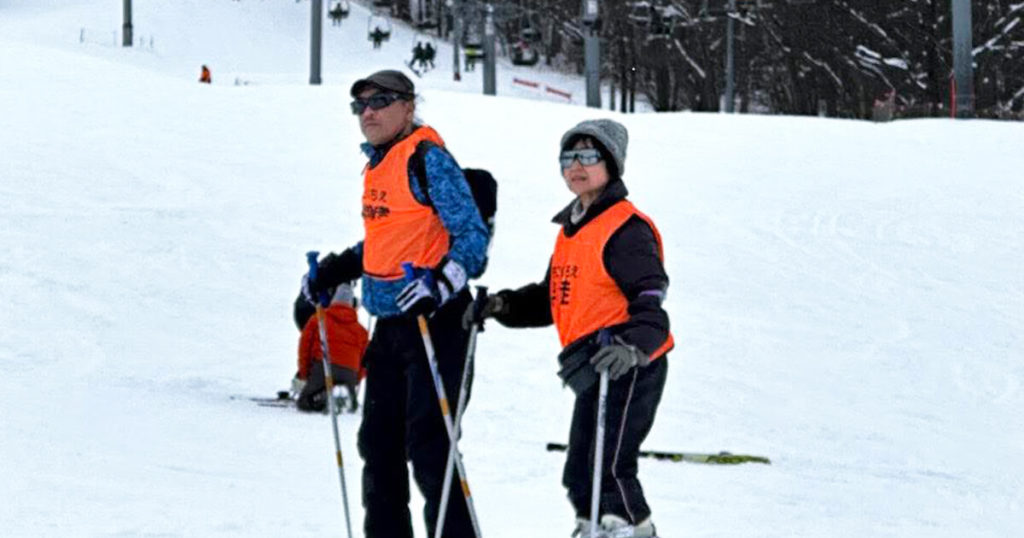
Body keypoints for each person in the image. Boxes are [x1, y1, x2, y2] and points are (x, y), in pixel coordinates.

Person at [301, 69, 489, 538]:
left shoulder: (428, 159)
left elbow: (471, 236)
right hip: (390, 326)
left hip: (437, 323)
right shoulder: (378, 165)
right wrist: (332, 271)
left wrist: (440, 283)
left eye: (380, 101)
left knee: (430, 446)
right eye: (360, 105)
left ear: (408, 106)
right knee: (378, 444)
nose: (369, 112)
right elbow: (385, 243)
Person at [474, 119, 672, 537]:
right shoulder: (573, 229)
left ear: (612, 164)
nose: (575, 166)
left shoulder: (625, 228)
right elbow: (552, 298)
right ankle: (592, 525)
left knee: (611, 464)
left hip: (628, 362)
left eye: (588, 156)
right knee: (581, 469)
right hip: (592, 365)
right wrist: (502, 305)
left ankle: (631, 529)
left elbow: (651, 299)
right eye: (568, 157)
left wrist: (632, 348)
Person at [292, 283, 368, 413]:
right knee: (352, 405)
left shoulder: (318, 319)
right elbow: (366, 360)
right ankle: (346, 397)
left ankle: (324, 397)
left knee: (304, 403)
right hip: (350, 372)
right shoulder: (361, 331)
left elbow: (304, 348)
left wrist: (304, 374)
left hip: (323, 367)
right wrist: (356, 379)